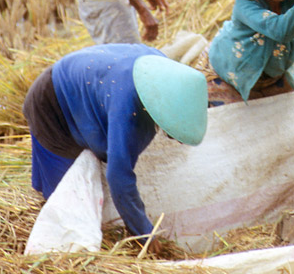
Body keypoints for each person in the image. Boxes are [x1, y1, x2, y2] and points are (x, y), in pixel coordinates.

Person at [22, 44, 207, 253]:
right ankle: (51, 248)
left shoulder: (160, 72)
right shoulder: (128, 111)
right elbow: (119, 176)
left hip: (81, 81)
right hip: (51, 103)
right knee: (67, 199)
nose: (177, 140)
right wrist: (143, 231)